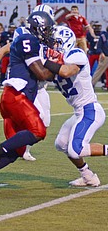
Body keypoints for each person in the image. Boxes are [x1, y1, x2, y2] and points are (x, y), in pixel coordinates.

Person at [0, 11, 56, 194]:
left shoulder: (34, 43)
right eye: (46, 29)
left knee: (17, 149)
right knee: (39, 131)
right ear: (37, 28)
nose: (48, 33)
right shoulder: (27, 40)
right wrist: (56, 66)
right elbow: (42, 73)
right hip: (16, 96)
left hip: (16, 99)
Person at [52, 26, 107, 187]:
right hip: (78, 112)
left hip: (90, 110)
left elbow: (66, 72)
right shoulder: (57, 60)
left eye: (56, 42)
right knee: (61, 144)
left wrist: (46, 62)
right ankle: (88, 176)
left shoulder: (75, 54)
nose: (53, 46)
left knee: (75, 149)